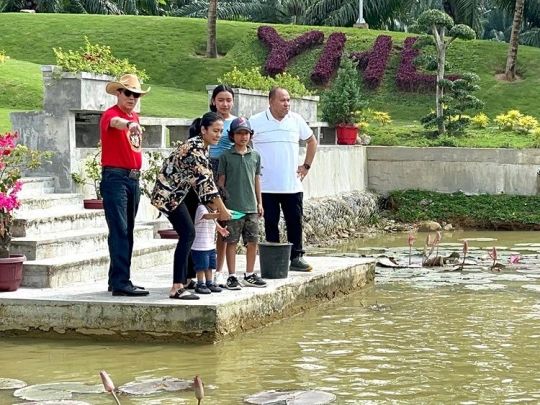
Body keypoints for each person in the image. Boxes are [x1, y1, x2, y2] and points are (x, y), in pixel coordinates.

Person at [151, 111, 231, 300]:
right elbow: (207, 183)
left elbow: (204, 184)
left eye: (221, 131)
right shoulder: (195, 149)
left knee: (190, 232)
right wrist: (223, 210)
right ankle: (177, 286)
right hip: (169, 195)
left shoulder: (204, 146)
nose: (218, 135)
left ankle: (187, 279)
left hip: (185, 194)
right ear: (203, 130)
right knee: (188, 233)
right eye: (215, 131)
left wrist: (217, 209)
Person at [248, 87, 318, 272]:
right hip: (266, 185)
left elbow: (312, 141)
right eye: (282, 100)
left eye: (288, 100)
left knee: (295, 221)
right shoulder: (255, 121)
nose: (287, 104)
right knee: (271, 223)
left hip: (291, 185)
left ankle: (297, 257)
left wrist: (306, 166)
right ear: (271, 101)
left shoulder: (296, 120)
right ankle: (274, 259)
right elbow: (242, 143)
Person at [100, 74, 151, 297]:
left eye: (136, 94)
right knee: (120, 229)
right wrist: (128, 123)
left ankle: (118, 279)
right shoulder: (111, 115)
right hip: (115, 178)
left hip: (133, 178)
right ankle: (121, 281)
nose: (132, 98)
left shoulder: (135, 117)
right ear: (118, 93)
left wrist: (132, 121)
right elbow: (116, 123)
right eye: (128, 93)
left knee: (127, 230)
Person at [218, 117, 266, 289]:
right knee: (231, 241)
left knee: (252, 241)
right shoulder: (225, 156)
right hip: (232, 207)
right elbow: (221, 182)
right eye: (239, 133)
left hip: (251, 206)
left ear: (250, 135)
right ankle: (231, 275)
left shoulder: (255, 156)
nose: (243, 137)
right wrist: (221, 206)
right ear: (232, 136)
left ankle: (249, 273)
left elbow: (256, 180)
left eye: (246, 133)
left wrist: (259, 203)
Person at [208, 84, 236, 288]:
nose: (225, 104)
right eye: (220, 100)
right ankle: (205, 270)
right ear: (213, 101)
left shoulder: (237, 123)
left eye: (228, 100)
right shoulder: (207, 121)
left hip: (230, 170)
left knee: (225, 222)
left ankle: (221, 270)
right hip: (209, 168)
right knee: (209, 218)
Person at [191, 197, 230, 294]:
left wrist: (221, 230)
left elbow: (213, 221)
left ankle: (209, 282)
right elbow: (206, 216)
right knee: (201, 266)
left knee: (209, 266)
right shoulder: (202, 208)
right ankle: (200, 283)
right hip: (200, 246)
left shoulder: (212, 210)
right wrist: (220, 214)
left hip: (210, 245)